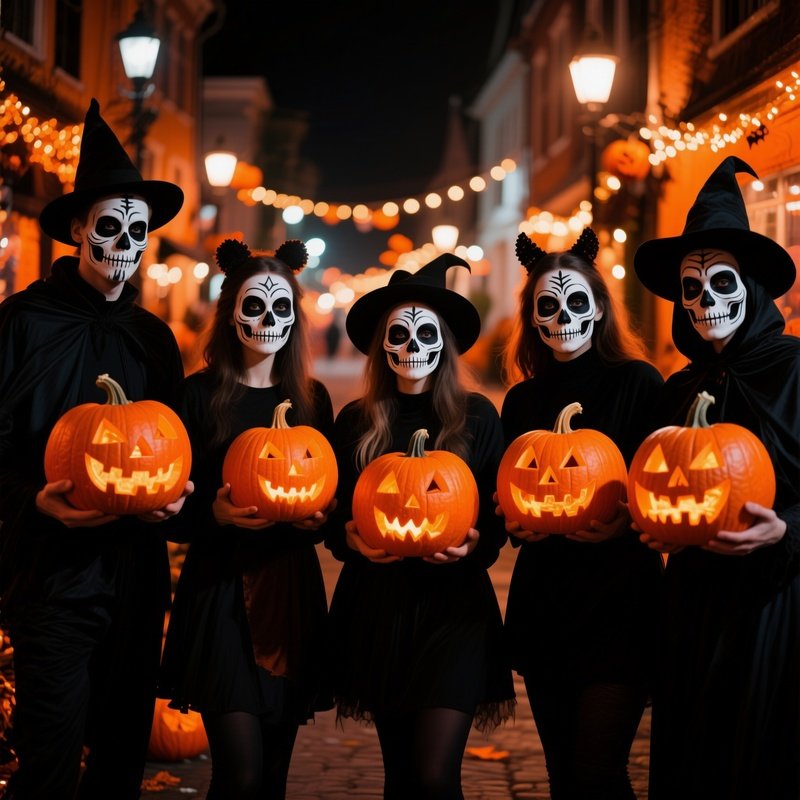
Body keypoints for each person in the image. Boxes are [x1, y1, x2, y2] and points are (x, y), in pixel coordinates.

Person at [0, 98, 191, 799]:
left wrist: (178, 496)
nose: (125, 243)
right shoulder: (23, 324)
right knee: (47, 758)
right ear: (78, 230)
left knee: (119, 758)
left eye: (137, 230)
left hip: (135, 576)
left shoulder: (152, 339)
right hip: (53, 576)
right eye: (110, 226)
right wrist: (35, 501)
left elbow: (175, 445)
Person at [633, 155, 800, 799]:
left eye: (721, 283)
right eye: (690, 288)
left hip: (775, 603)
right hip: (695, 602)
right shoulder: (679, 389)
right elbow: (654, 483)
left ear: (754, 288)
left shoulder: (793, 371)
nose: (705, 302)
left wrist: (785, 530)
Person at [325, 253, 515, 799]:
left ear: (444, 344)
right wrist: (351, 540)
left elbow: (496, 517)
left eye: (424, 333)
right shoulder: (357, 421)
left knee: (435, 776)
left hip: (453, 610)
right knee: (401, 776)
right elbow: (336, 517)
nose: (411, 347)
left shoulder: (477, 417)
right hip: (379, 608)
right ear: (383, 345)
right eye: (398, 335)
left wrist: (478, 544)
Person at [158, 237, 335, 799]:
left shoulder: (311, 399)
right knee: (239, 774)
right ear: (231, 312)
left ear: (295, 317)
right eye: (253, 306)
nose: (268, 319)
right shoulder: (196, 397)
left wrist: (321, 521)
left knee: (274, 775)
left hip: (290, 592)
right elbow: (167, 510)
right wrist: (211, 513)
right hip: (220, 593)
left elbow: (330, 502)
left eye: (281, 308)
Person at [499, 228, 664, 799]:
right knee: (564, 777)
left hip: (620, 603)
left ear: (597, 310)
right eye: (549, 305)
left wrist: (629, 520)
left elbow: (669, 483)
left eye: (576, 302)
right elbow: (510, 495)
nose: (563, 315)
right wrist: (512, 524)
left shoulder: (638, 383)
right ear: (534, 317)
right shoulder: (522, 400)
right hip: (546, 604)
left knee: (599, 773)